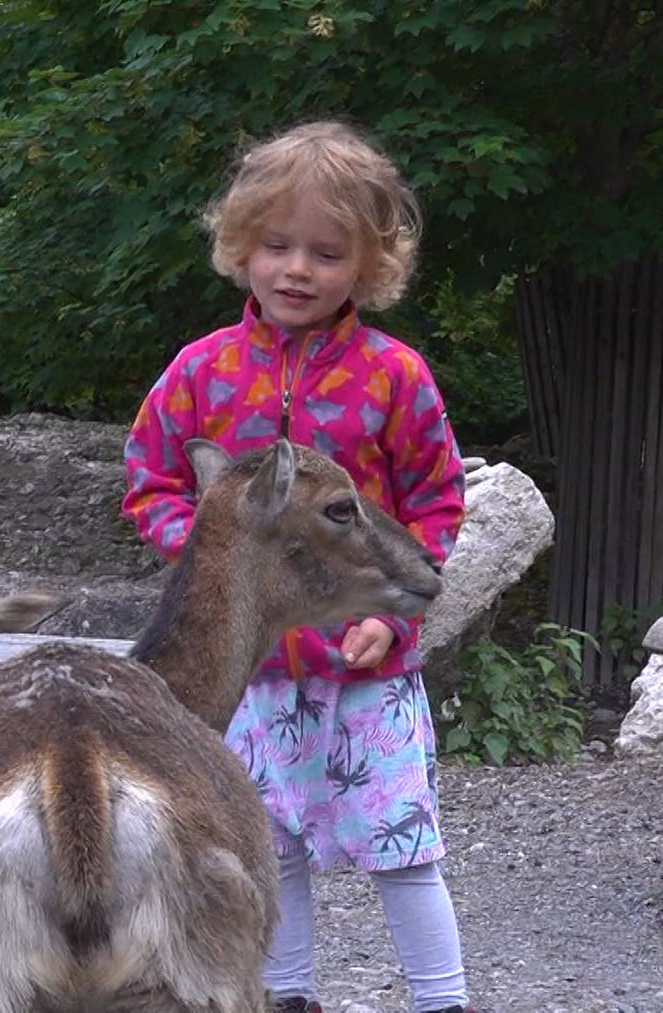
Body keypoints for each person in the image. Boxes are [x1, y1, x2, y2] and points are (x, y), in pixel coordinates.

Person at [121, 121, 473, 1013]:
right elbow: (151, 480)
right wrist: (213, 558)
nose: (296, 269)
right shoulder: (201, 372)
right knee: (266, 850)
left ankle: (444, 1000)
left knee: (405, 850)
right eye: (276, 245)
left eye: (325, 252)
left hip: (368, 670)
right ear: (242, 247)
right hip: (251, 676)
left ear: (369, 264)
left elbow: (436, 503)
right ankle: (288, 998)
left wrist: (392, 619)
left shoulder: (397, 376)